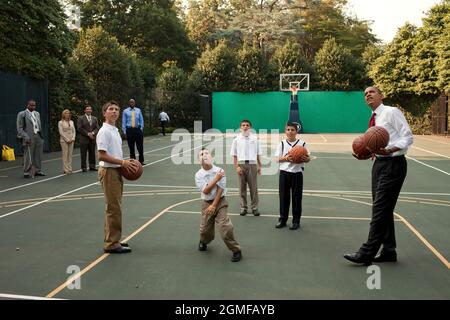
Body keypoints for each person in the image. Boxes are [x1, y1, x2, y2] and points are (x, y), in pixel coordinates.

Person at [344, 86, 413, 265]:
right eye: (365, 94)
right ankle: (389, 250)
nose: (367, 95)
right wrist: (365, 153)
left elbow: (407, 137)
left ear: (381, 96)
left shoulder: (391, 112)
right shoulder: (374, 118)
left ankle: (367, 252)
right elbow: (375, 145)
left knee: (380, 209)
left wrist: (389, 149)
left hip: (393, 165)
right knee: (383, 208)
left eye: (371, 92)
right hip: (379, 164)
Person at [97, 100, 139, 254]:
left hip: (116, 171)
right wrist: (123, 162)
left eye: (116, 109)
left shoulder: (114, 130)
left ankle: (113, 239)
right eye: (111, 109)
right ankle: (111, 244)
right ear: (104, 113)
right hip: (109, 172)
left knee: (115, 207)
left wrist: (123, 164)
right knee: (113, 209)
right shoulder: (104, 131)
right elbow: (101, 155)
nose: (114, 111)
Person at [195, 148, 242, 262]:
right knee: (205, 230)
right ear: (198, 160)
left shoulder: (220, 170)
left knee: (225, 227)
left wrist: (214, 205)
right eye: (201, 154)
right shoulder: (198, 175)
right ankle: (204, 241)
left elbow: (221, 189)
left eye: (207, 153)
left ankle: (236, 250)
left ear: (212, 158)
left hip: (220, 201)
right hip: (206, 202)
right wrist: (216, 179)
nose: (204, 155)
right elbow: (205, 191)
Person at [274, 122, 310, 230]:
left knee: (297, 198)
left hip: (297, 173)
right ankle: (283, 219)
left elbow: (308, 158)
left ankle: (296, 221)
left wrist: (306, 159)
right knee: (283, 198)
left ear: (296, 131)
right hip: (284, 173)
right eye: (288, 130)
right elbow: (276, 159)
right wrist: (286, 158)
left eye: (292, 130)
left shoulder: (302, 144)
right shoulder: (281, 143)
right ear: (285, 131)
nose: (290, 132)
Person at [230, 119, 262, 216]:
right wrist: (237, 167)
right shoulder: (236, 140)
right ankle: (243, 207)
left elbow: (258, 154)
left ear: (250, 127)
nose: (245, 127)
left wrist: (259, 165)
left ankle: (255, 208)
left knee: (253, 188)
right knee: (242, 187)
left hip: (252, 164)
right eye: (243, 125)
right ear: (240, 127)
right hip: (241, 164)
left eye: (247, 125)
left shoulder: (255, 139)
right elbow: (234, 155)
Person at [16, 99, 45, 178]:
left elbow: (38, 125)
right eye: (31, 105)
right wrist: (26, 137)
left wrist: (40, 136)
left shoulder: (37, 113)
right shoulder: (22, 114)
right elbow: (19, 128)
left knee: (38, 154)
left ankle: (38, 170)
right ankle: (26, 171)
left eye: (34, 105)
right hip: (28, 136)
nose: (33, 107)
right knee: (28, 155)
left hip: (38, 135)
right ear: (27, 105)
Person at [77, 105, 99, 172]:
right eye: (87, 109)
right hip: (84, 139)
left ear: (91, 110)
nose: (89, 110)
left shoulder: (94, 118)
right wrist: (87, 134)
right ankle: (84, 167)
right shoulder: (80, 118)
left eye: (90, 109)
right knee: (83, 153)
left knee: (92, 153)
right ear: (85, 110)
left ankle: (92, 166)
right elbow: (79, 128)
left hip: (92, 138)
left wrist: (92, 133)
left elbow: (97, 128)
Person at [122, 99, 144, 164]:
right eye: (131, 102)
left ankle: (141, 161)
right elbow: (124, 121)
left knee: (140, 146)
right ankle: (133, 161)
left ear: (135, 103)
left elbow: (141, 119)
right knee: (131, 147)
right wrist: (124, 131)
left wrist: (141, 128)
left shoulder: (138, 110)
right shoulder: (125, 111)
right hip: (129, 130)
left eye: (133, 102)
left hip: (137, 129)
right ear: (129, 103)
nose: (132, 103)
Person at [58, 109, 76, 174]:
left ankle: (69, 168)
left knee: (70, 155)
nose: (67, 114)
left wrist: (73, 138)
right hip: (64, 140)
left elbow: (74, 131)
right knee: (65, 155)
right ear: (63, 114)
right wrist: (67, 139)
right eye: (66, 113)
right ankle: (65, 169)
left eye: (68, 113)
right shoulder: (60, 122)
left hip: (72, 140)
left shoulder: (71, 122)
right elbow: (61, 132)